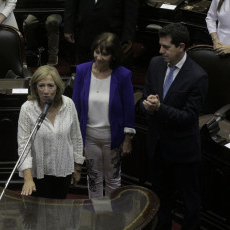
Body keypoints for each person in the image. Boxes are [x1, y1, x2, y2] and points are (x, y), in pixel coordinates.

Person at [139, 23, 208, 230]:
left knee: (190, 204)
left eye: (166, 47)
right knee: (161, 200)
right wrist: (147, 107)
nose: (161, 51)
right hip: (158, 147)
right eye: (160, 46)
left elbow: (188, 117)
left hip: (183, 152)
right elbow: (145, 100)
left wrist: (159, 108)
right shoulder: (155, 64)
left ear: (181, 46)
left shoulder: (198, 76)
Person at [72, 32, 135, 199]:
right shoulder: (82, 70)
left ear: (113, 55)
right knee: (93, 178)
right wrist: (77, 140)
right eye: (97, 52)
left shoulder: (123, 75)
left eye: (105, 54)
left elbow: (129, 109)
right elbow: (75, 106)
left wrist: (127, 139)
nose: (99, 57)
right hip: (89, 136)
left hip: (112, 138)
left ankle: (112, 219)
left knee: (113, 179)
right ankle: (99, 216)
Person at [17, 65, 85, 199]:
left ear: (58, 87)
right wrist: (28, 178)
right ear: (35, 87)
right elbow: (23, 146)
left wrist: (77, 169)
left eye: (50, 86)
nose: (46, 91)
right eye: (41, 85)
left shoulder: (68, 104)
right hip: (38, 173)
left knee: (60, 212)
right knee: (40, 213)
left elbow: (76, 138)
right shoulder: (27, 109)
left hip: (64, 170)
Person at [64, 0, 139, 63]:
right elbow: (71, 3)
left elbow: (131, 13)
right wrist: (68, 27)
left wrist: (127, 40)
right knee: (85, 70)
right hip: (85, 33)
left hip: (113, 37)